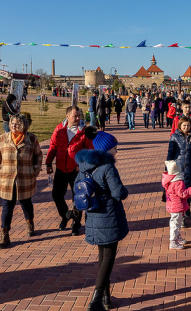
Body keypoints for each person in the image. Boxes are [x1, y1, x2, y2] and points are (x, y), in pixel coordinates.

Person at [75, 131, 129, 311]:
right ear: (106, 149)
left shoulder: (84, 165)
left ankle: (106, 296)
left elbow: (77, 188)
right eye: (115, 147)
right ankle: (96, 300)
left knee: (102, 256)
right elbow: (118, 193)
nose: (116, 151)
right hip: (108, 215)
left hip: (93, 215)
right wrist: (125, 191)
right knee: (109, 258)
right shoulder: (107, 167)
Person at [0, 113, 43, 248]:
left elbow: (38, 155)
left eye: (17, 124)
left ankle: (30, 223)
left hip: (25, 178)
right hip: (7, 179)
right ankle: (4, 234)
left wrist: (36, 169)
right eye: (12, 123)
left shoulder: (31, 139)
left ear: (24, 125)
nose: (14, 126)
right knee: (7, 206)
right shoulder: (3, 138)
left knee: (26, 203)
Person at [46, 106, 94, 236]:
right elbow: (53, 146)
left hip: (76, 171)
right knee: (57, 195)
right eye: (75, 116)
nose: (78, 118)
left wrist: (82, 166)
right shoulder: (59, 129)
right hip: (61, 169)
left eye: (79, 116)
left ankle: (76, 224)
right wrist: (48, 162)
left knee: (78, 198)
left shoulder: (85, 131)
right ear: (67, 116)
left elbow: (90, 151)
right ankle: (66, 216)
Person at [167, 116, 191, 227]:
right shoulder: (175, 137)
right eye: (184, 125)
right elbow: (170, 153)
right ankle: (182, 216)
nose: (186, 127)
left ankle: (187, 207)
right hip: (178, 169)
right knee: (180, 193)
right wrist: (168, 169)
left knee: (190, 190)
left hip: (190, 168)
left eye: (188, 125)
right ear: (180, 126)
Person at [162, 160, 191, 250]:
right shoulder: (178, 182)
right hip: (176, 205)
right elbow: (183, 193)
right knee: (175, 223)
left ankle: (177, 237)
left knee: (177, 222)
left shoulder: (170, 180)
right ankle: (173, 241)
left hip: (172, 205)